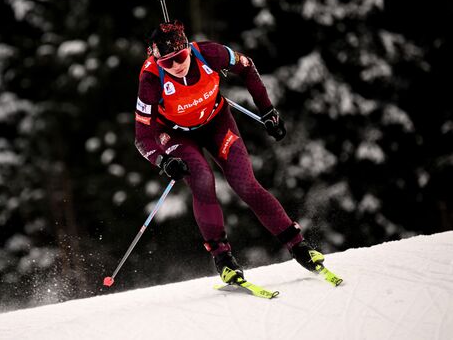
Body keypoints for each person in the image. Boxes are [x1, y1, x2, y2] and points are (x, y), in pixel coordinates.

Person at [134, 20, 324, 284]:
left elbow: (247, 68)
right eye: (167, 62)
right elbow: (142, 137)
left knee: (245, 184)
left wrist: (268, 110)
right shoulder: (151, 79)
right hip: (176, 134)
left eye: (179, 57)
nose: (175, 65)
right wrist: (163, 160)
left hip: (216, 123)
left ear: (188, 48)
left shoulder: (210, 54)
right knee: (202, 179)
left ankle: (299, 245)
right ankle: (223, 258)